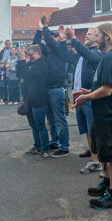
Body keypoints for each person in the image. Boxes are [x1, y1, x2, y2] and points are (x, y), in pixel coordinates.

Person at [74, 23, 112, 209]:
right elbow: (105, 87)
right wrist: (90, 91)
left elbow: (107, 90)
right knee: (104, 153)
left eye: (97, 35)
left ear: (107, 36)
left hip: (109, 113)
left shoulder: (110, 58)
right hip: (104, 112)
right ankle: (106, 185)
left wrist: (86, 97)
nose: (95, 38)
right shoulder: (109, 56)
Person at [61, 26, 104, 172]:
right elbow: (65, 57)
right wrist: (62, 40)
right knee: (87, 129)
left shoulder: (98, 52)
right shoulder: (81, 53)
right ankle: (93, 154)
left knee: (93, 130)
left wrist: (73, 39)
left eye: (90, 34)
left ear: (97, 38)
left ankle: (96, 161)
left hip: (90, 98)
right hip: (80, 97)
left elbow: (89, 55)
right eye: (85, 34)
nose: (86, 36)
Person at [33, 15, 70, 157]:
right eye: (52, 36)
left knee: (60, 119)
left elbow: (48, 40)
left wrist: (45, 27)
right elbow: (36, 44)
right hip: (48, 89)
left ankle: (64, 146)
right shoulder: (48, 53)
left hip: (56, 89)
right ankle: (55, 141)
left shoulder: (59, 50)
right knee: (51, 119)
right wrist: (39, 30)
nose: (51, 39)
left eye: (55, 37)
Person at [16, 45, 50, 160]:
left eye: (31, 55)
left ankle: (45, 150)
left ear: (38, 52)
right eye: (28, 55)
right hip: (29, 99)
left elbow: (27, 74)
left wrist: (22, 60)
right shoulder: (31, 64)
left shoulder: (42, 65)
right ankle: (37, 146)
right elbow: (20, 74)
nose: (29, 57)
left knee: (40, 126)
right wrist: (21, 62)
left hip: (39, 99)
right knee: (33, 126)